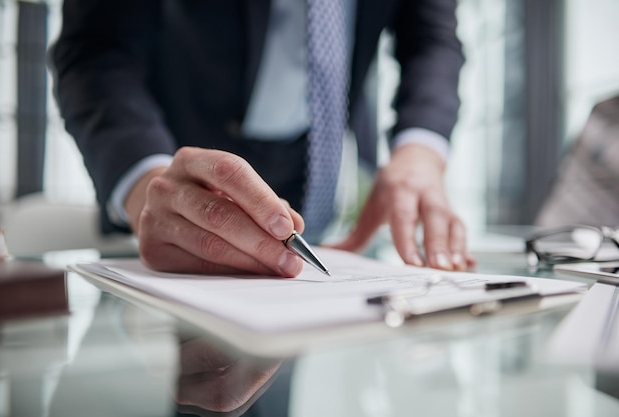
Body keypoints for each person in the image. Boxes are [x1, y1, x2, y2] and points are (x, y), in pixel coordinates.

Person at [51, 0, 475, 277]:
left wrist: (420, 152)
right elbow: (96, 47)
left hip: (325, 171)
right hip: (185, 168)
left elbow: (432, 39)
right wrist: (146, 178)